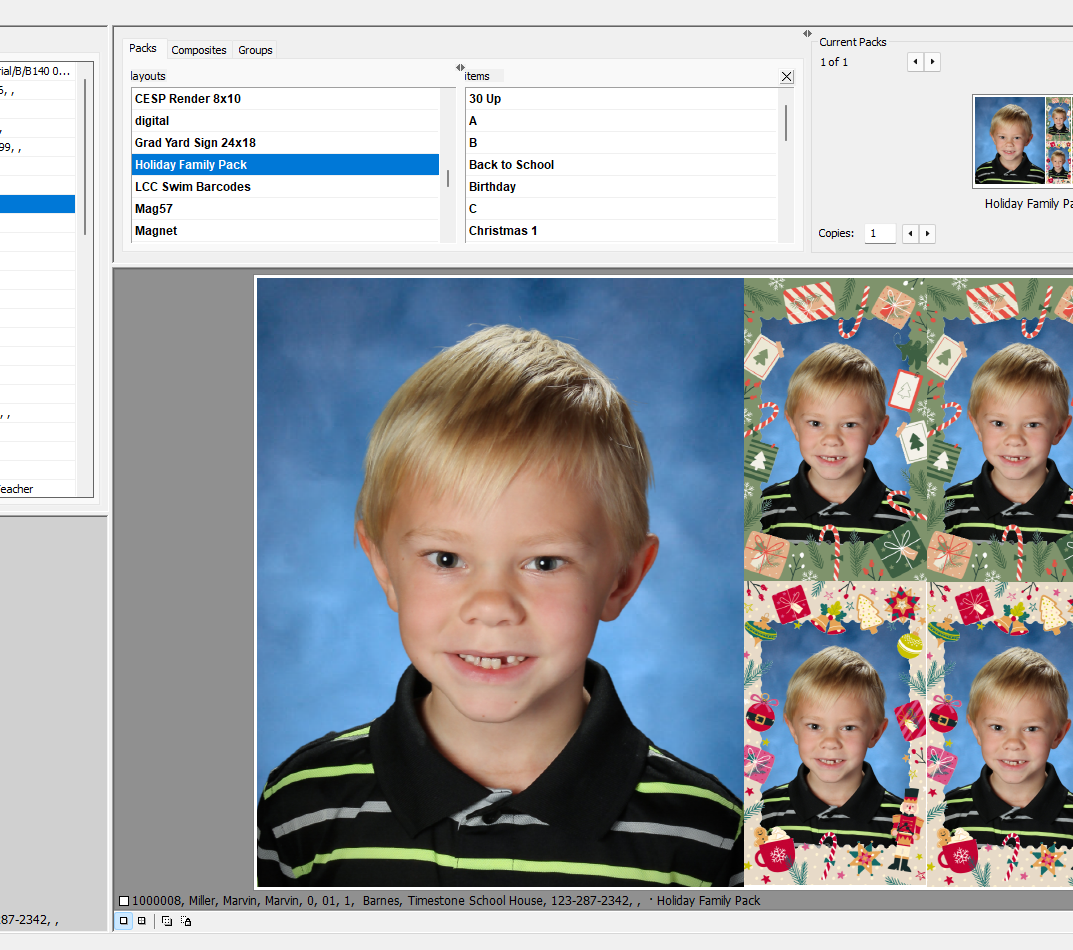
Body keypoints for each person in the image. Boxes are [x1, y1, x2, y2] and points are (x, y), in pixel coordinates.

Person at [257, 326, 740, 887]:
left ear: (621, 580)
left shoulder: (708, 836)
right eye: (445, 558)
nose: (491, 608)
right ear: (384, 567)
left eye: (544, 563)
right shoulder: (303, 807)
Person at [942, 344, 1073, 543]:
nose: (1014, 439)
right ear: (977, 427)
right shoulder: (948, 511)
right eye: (998, 423)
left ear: (1059, 431)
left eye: (1032, 424)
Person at [757, 343, 906, 543]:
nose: (831, 439)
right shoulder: (764, 511)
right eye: (816, 423)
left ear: (877, 430)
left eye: (849, 424)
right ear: (794, 426)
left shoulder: (902, 519)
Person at [941, 648, 1073, 848]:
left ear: (1059, 734)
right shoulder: (945, 814)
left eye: (1031, 728)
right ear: (976, 731)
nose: (1013, 743)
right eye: (998, 727)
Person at [757, 647, 901, 846]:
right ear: (793, 729)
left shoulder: (903, 822)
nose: (830, 742)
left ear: (875, 733)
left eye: (849, 727)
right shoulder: (762, 813)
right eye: (814, 726)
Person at [974, 104, 1046, 184]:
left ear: (1028, 140)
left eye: (1016, 138)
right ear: (993, 138)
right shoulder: (982, 173)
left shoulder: (1039, 177)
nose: (1009, 144)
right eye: (1002, 137)